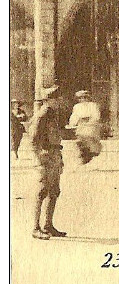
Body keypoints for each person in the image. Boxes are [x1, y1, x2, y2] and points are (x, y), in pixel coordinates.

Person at [29, 86, 66, 240]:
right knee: (42, 191)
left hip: (55, 155)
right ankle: (35, 228)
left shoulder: (52, 114)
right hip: (45, 157)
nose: (59, 101)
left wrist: (59, 159)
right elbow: (33, 138)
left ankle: (48, 225)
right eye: (56, 99)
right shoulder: (42, 115)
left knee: (54, 191)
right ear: (49, 100)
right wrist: (40, 156)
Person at [67, 90, 103, 164]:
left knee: (88, 134)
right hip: (81, 125)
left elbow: (96, 116)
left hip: (92, 125)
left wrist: (90, 121)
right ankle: (84, 153)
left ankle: (93, 151)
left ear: (88, 98)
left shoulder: (93, 105)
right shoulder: (77, 106)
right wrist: (72, 123)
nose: (83, 100)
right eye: (80, 98)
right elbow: (74, 116)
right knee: (80, 135)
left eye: (84, 98)